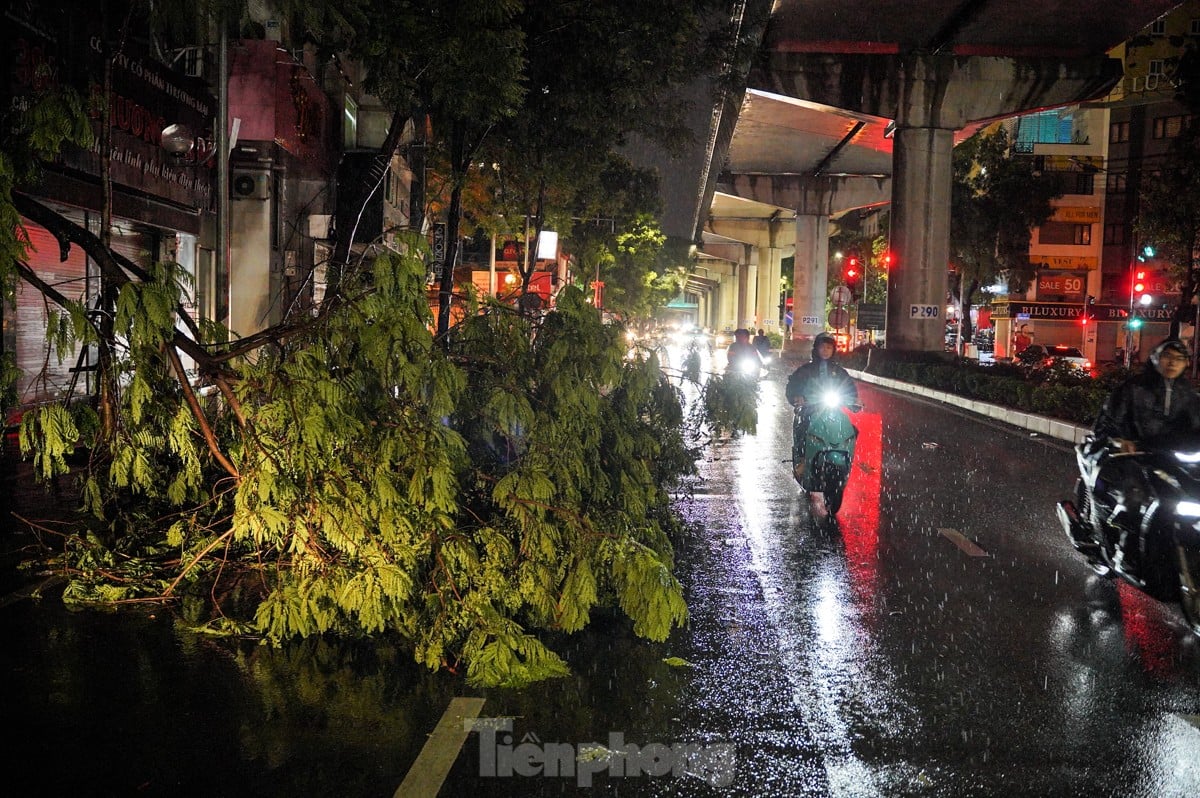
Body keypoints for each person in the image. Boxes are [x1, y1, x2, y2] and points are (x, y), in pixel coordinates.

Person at [785, 332, 859, 518]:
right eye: (822, 347)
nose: (825, 351)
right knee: (804, 431)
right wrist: (797, 397)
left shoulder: (839, 372)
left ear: (833, 350)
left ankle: (844, 461)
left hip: (832, 411)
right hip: (810, 410)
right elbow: (793, 386)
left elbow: (850, 390)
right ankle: (802, 463)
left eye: (829, 347)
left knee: (851, 431)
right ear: (816, 349)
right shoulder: (806, 370)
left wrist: (855, 402)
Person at [1092, 338, 1200, 453]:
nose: (1173, 362)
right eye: (1167, 356)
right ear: (1155, 357)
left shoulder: (1187, 392)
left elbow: (1195, 423)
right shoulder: (1133, 387)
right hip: (1134, 456)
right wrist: (1119, 440)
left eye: (1179, 358)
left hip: (1171, 457)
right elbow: (1108, 421)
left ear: (1186, 363)